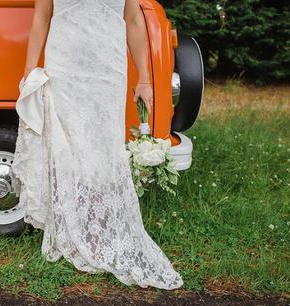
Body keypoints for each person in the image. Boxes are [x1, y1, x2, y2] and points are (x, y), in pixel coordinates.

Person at [10, 0, 184, 289]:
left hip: (108, 69)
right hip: (64, 66)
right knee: (67, 148)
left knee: (103, 149)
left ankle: (97, 227)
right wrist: (30, 69)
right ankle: (72, 226)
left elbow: (133, 20)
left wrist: (144, 78)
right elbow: (42, 16)